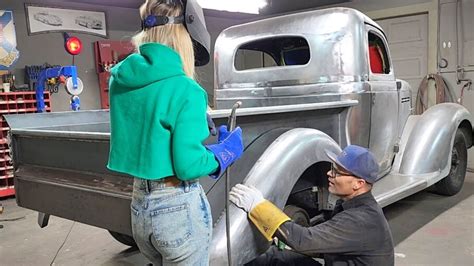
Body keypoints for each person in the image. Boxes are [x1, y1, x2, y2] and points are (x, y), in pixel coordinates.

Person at [107, 0, 244, 265]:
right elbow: (188, 166)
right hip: (176, 206)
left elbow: (147, 122)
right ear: (184, 35)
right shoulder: (186, 90)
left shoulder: (119, 79)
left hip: (139, 205)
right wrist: (223, 153)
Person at [230, 145, 394, 266]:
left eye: (338, 172)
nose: (330, 173)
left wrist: (258, 206)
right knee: (277, 258)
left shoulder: (361, 220)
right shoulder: (350, 206)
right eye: (332, 168)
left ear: (358, 183)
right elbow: (316, 243)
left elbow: (304, 240)